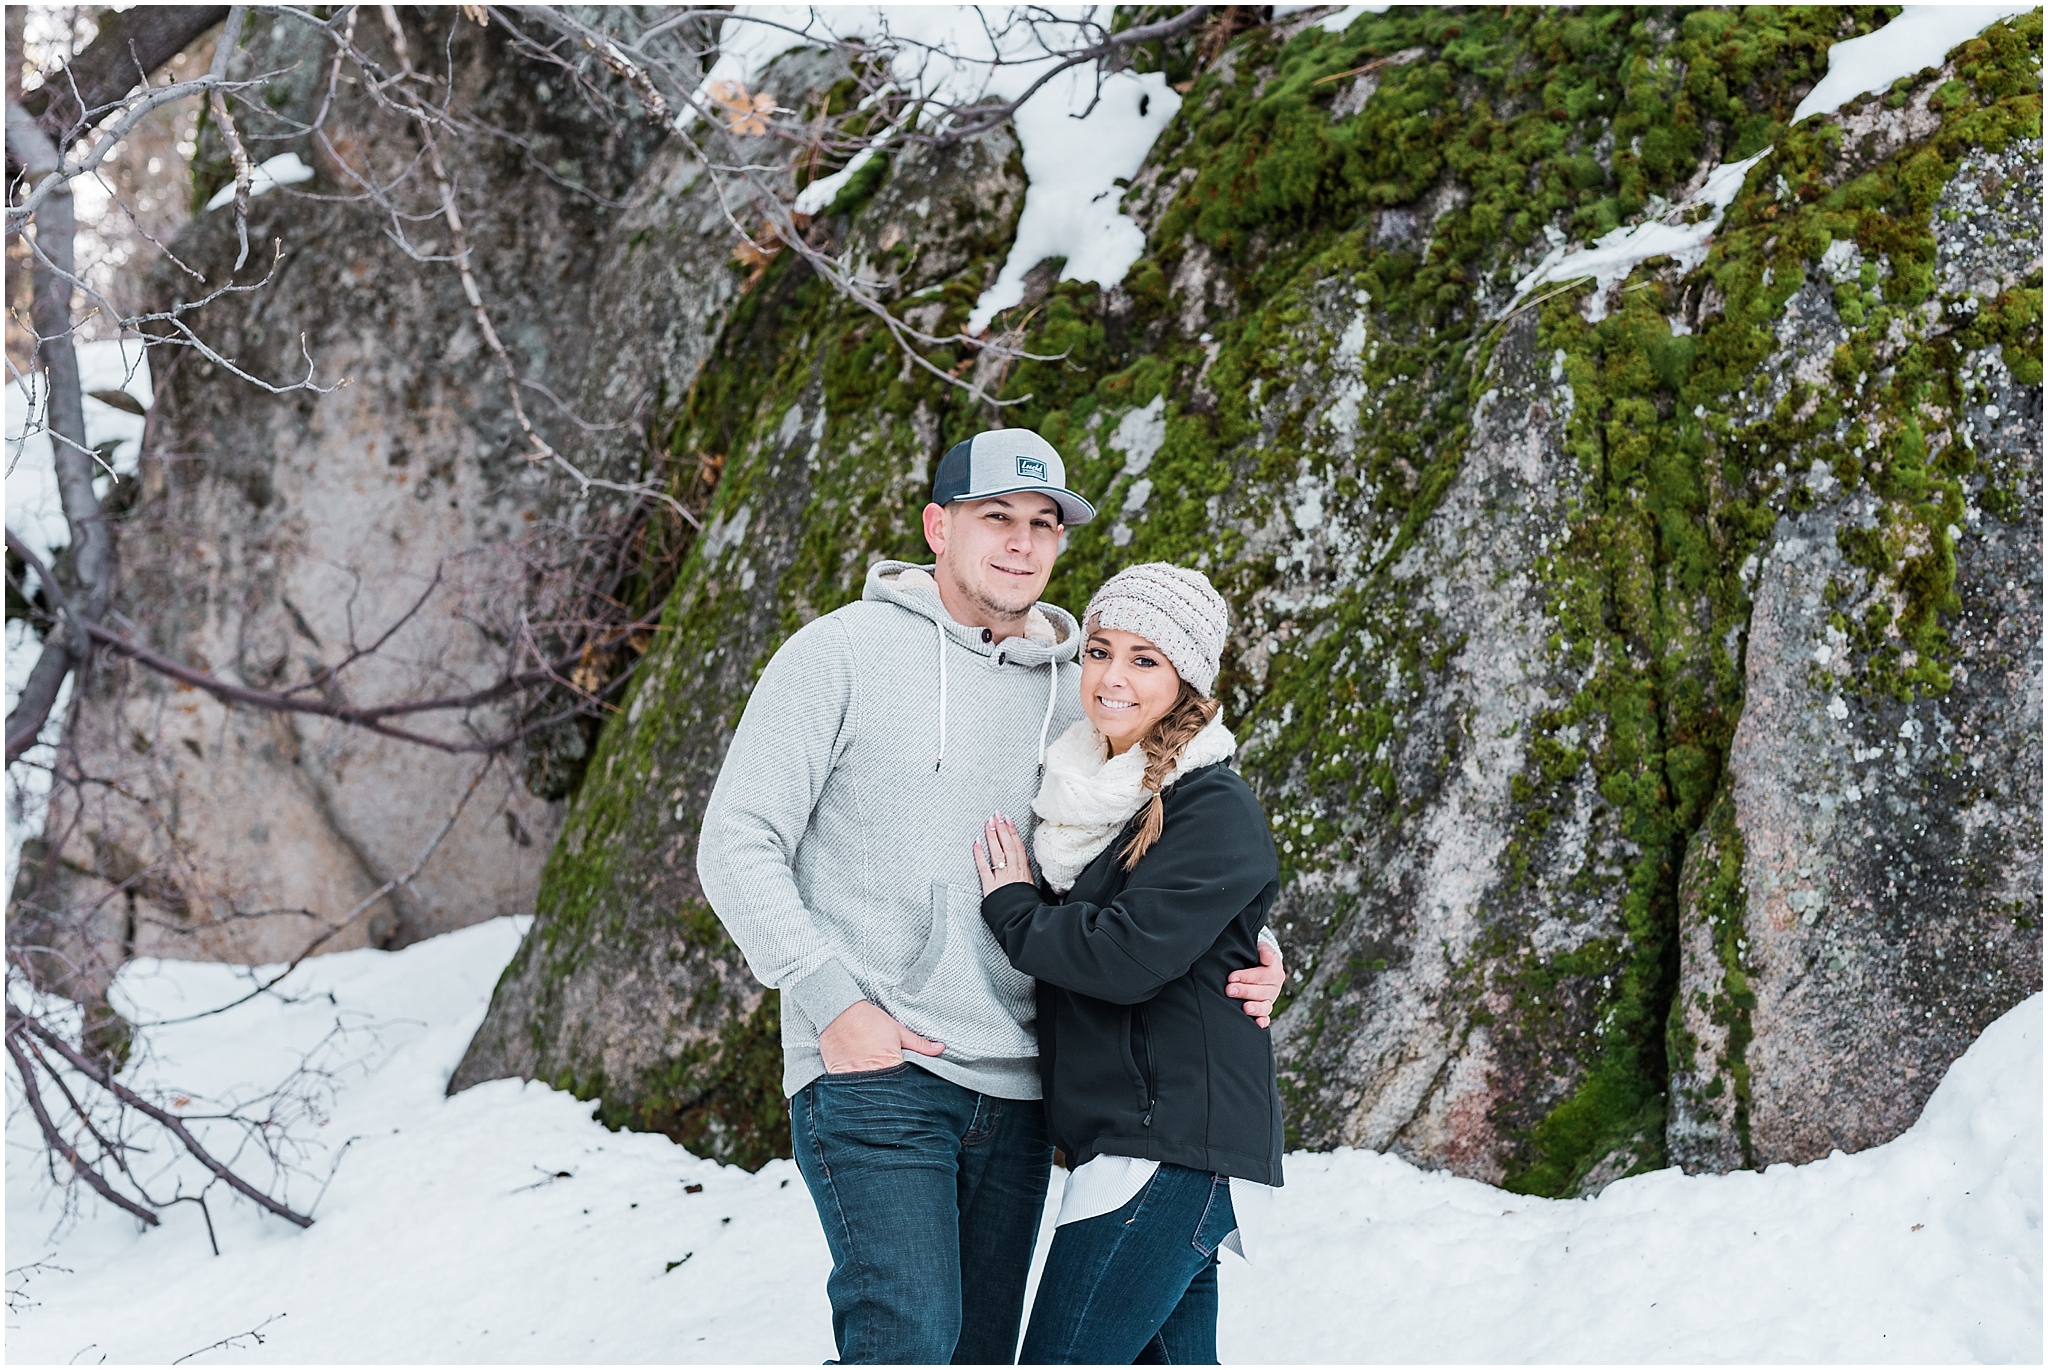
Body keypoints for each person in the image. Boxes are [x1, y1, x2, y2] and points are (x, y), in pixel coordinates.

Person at [695, 430, 1287, 1365]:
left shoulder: (1085, 686)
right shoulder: (837, 656)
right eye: (995, 517)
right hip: (876, 1068)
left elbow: (1167, 841)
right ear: (938, 526)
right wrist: (832, 1003)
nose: (1021, 542)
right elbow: (734, 843)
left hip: (1019, 1093)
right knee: (906, 1343)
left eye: (1043, 523)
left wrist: (1255, 946)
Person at [975, 562, 1283, 1365]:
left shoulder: (1211, 803)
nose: (1112, 677)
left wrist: (1012, 905)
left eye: (1145, 659)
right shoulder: (1083, 796)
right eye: (1101, 649)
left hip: (1170, 1141)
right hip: (1121, 1139)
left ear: (1187, 681)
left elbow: (1123, 958)